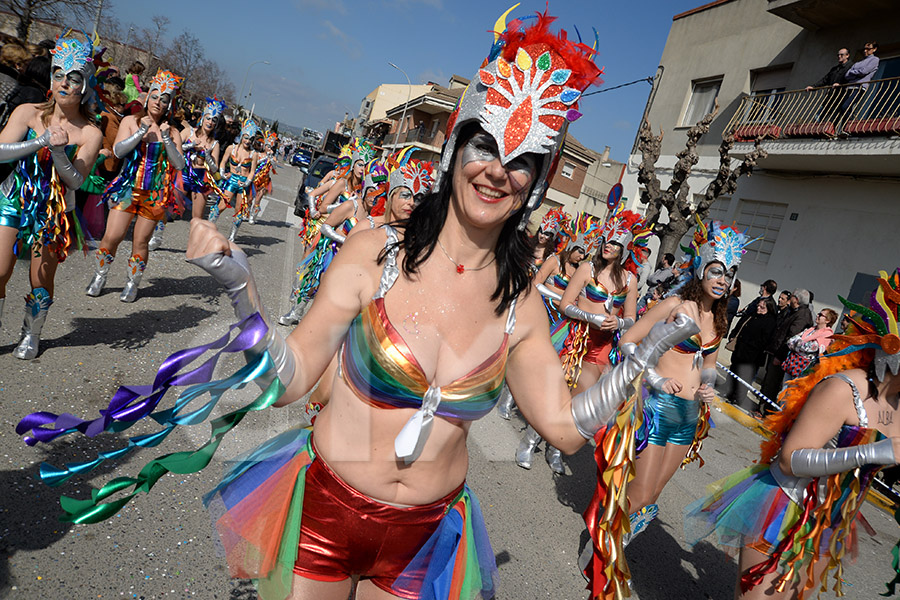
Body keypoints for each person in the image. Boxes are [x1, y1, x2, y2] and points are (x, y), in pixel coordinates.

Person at [20, 12, 696, 600]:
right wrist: (240, 286)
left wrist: (642, 355)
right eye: (486, 144)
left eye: (523, 160)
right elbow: (290, 382)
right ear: (457, 150)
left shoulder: (520, 301)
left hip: (425, 538)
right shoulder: (375, 254)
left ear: (538, 183)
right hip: (326, 514)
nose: (498, 169)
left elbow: (567, 429)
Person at [684, 269, 900, 600]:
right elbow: (789, 460)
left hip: (830, 525)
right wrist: (876, 453)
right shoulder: (846, 389)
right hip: (784, 505)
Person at [618, 220, 755, 547]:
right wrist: (655, 378)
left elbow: (708, 364)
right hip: (656, 407)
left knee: (653, 496)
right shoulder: (674, 305)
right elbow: (628, 340)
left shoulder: (719, 318)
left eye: (730, 274)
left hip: (688, 416)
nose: (723, 280)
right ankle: (601, 550)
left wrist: (709, 386)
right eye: (717, 270)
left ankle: (615, 546)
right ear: (700, 268)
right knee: (639, 493)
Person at [0, 33, 102, 359]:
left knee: (39, 278)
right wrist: (39, 141)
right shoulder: (28, 111)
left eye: (73, 78)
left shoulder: (90, 133)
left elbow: (75, 181)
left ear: (84, 85)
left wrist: (59, 153)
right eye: (58, 74)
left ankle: (32, 333)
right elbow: (1, 152)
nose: (63, 83)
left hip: (54, 211)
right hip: (14, 197)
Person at [85, 69, 186, 303]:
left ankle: (132, 283)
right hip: (128, 189)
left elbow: (179, 164)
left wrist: (167, 139)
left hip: (155, 194)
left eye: (164, 99)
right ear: (147, 96)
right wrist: (140, 132)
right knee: (112, 236)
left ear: (169, 105)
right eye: (155, 96)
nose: (158, 102)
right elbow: (119, 150)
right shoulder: (131, 121)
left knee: (140, 241)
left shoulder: (172, 132)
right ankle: (100, 275)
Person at [516, 211, 598, 473]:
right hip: (564, 329)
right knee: (554, 387)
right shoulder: (566, 265)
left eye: (586, 253)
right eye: (579, 251)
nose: (581, 256)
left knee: (576, 399)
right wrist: (579, 311)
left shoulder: (604, 276)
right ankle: (529, 441)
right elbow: (555, 295)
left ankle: (555, 450)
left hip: (594, 346)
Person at [558, 204, 649, 393]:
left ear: (625, 248)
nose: (608, 245)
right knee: (558, 389)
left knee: (580, 394)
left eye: (615, 243)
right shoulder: (587, 269)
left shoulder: (630, 280)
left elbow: (632, 319)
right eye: (606, 241)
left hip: (603, 343)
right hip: (575, 336)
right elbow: (564, 305)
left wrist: (619, 322)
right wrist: (590, 317)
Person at [760, 288, 815, 407]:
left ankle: (764, 409)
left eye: (793, 296)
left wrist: (779, 356)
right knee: (768, 380)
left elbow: (791, 337)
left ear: (796, 299)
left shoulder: (802, 315)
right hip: (777, 350)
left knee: (772, 382)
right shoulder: (793, 311)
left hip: (783, 355)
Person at [727, 296, 777, 411]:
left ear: (768, 309)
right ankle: (730, 393)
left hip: (752, 355)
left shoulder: (770, 321)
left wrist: (749, 343)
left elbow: (764, 340)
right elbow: (741, 325)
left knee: (744, 376)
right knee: (734, 371)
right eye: (758, 306)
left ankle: (738, 397)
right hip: (740, 350)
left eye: (762, 307)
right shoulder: (752, 315)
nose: (758, 308)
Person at [214, 118, 258, 241]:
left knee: (239, 210)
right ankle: (209, 226)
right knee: (221, 206)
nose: (248, 141)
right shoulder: (231, 148)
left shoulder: (253, 154)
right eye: (246, 137)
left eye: (250, 139)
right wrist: (223, 174)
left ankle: (233, 235)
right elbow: (222, 163)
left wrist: (247, 182)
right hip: (231, 180)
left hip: (243, 184)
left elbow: (252, 171)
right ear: (242, 136)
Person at [781, 307, 837, 384]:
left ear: (827, 320)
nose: (817, 315)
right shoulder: (811, 329)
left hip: (804, 368)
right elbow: (790, 341)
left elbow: (810, 348)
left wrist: (797, 343)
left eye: (820, 315)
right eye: (818, 314)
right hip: (793, 362)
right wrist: (800, 344)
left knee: (793, 390)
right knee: (784, 387)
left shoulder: (827, 335)